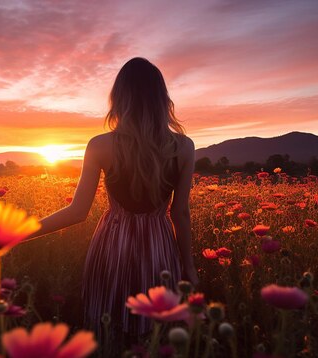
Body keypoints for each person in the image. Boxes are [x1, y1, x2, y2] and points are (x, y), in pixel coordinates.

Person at [23, 57, 198, 354]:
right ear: (162, 99)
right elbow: (179, 214)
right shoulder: (183, 147)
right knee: (152, 334)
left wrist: (22, 231)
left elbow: (78, 212)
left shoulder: (100, 145)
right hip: (159, 249)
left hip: (112, 245)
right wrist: (190, 269)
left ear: (119, 99)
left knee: (108, 329)